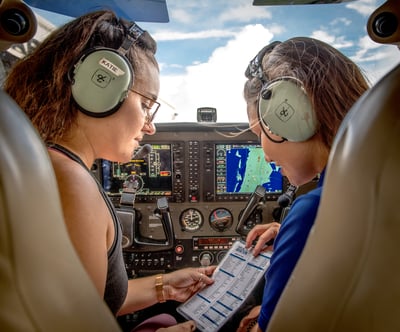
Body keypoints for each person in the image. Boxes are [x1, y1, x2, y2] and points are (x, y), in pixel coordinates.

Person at [4, 10, 215, 332]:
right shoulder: (71, 184)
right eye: (146, 104)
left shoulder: (49, 164)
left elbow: (92, 301)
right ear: (99, 86)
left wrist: (165, 286)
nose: (151, 126)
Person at [236, 37, 369, 332]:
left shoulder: (313, 209)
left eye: (260, 132)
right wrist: (297, 238)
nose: (266, 156)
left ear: (290, 114)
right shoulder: (366, 190)